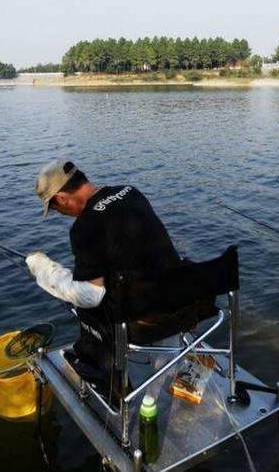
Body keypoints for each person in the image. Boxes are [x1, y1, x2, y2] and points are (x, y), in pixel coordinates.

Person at [25, 160, 181, 385]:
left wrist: (45, 271)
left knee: (85, 306)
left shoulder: (84, 227)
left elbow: (90, 295)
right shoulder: (130, 192)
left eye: (56, 209)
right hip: (184, 300)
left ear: (60, 198)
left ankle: (115, 378)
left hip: (147, 322)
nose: (60, 214)